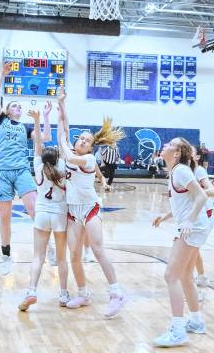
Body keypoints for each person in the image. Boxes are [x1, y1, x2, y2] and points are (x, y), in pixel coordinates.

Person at [56, 89, 126, 318]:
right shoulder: (70, 150)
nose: (84, 141)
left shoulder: (85, 158)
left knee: (97, 249)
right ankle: (84, 294)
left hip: (90, 208)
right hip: (72, 211)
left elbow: (67, 152)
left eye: (88, 141)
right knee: (74, 255)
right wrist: (61, 106)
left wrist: (63, 138)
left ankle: (116, 293)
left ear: (91, 148)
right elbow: (65, 129)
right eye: (82, 138)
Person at [0, 62, 51, 275]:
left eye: (19, 106)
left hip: (22, 171)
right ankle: (5, 255)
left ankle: (47, 249)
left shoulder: (24, 128)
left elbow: (45, 138)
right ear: (7, 110)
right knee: (5, 217)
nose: (18, 108)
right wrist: (2, 75)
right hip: (2, 173)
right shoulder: (0, 121)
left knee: (35, 210)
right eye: (14, 105)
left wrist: (43, 118)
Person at [151, 137, 212, 347]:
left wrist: (189, 220)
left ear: (177, 153)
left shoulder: (181, 170)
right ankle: (195, 321)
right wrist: (166, 216)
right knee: (185, 275)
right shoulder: (176, 171)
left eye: (170, 144)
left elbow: (202, 196)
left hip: (193, 227)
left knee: (171, 275)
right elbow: (183, 202)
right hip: (194, 226)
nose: (165, 146)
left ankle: (178, 331)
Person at [18, 109, 70, 311]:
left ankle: (31, 290)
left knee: (38, 256)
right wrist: (60, 116)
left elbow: (37, 143)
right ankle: (64, 294)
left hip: (41, 213)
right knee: (61, 258)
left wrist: (38, 120)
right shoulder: (64, 167)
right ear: (58, 157)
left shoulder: (38, 165)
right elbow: (62, 139)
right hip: (59, 214)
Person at [191, 147, 214, 292]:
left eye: (191, 151)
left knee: (192, 247)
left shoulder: (199, 170)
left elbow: (212, 191)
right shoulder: (185, 170)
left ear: (197, 157)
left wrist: (193, 192)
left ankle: (195, 281)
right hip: (194, 211)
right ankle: (200, 277)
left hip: (205, 212)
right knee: (193, 248)